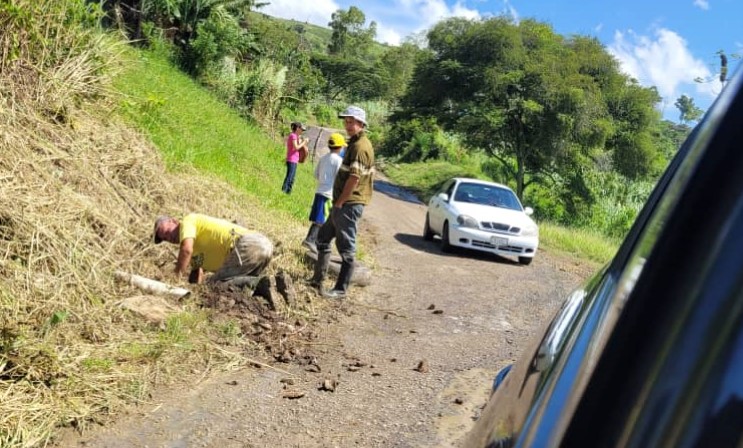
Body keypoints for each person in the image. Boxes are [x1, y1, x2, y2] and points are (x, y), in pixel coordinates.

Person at [311, 106, 375, 299]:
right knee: (322, 238)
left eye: (352, 122)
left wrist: (339, 202)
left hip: (349, 204)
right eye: (346, 121)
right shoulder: (353, 143)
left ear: (361, 124)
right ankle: (317, 279)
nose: (348, 125)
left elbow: (354, 179)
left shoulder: (360, 147)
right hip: (342, 203)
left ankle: (340, 289)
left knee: (347, 247)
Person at [153, 213, 273, 284]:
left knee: (214, 286)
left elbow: (186, 250)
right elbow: (197, 271)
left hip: (247, 244)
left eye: (167, 232)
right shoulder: (195, 253)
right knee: (244, 287)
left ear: (173, 221)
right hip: (262, 246)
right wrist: (192, 289)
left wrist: (175, 279)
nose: (169, 238)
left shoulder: (188, 221)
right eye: (165, 239)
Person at [302, 133, 346, 251]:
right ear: (340, 147)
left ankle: (315, 241)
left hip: (319, 191)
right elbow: (339, 178)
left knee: (319, 217)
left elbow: (316, 174)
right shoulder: (339, 161)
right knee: (322, 219)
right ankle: (310, 240)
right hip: (329, 193)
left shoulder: (323, 158)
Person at [282, 122, 308, 194]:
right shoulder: (293, 136)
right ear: (297, 128)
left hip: (294, 160)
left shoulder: (296, 137)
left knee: (292, 178)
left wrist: (301, 141)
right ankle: (284, 191)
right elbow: (296, 147)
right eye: (301, 129)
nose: (302, 131)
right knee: (289, 177)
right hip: (292, 159)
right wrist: (304, 142)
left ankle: (288, 192)